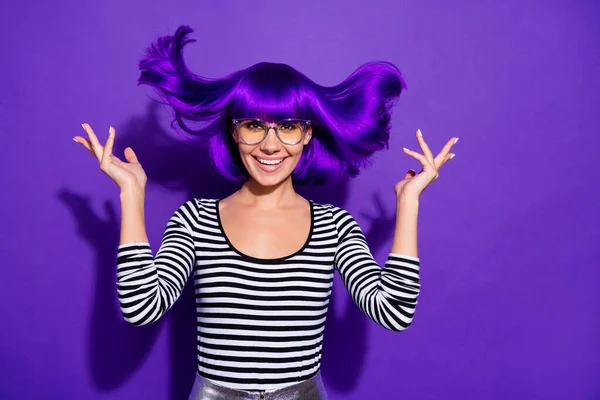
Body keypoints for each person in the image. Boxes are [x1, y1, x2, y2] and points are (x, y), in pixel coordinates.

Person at [74, 25, 458, 400]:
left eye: (288, 126)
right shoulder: (195, 220)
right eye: (254, 125)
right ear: (233, 131)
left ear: (307, 134)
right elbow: (142, 308)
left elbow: (393, 312)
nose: (270, 145)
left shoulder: (334, 226)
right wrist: (131, 192)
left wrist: (409, 202)